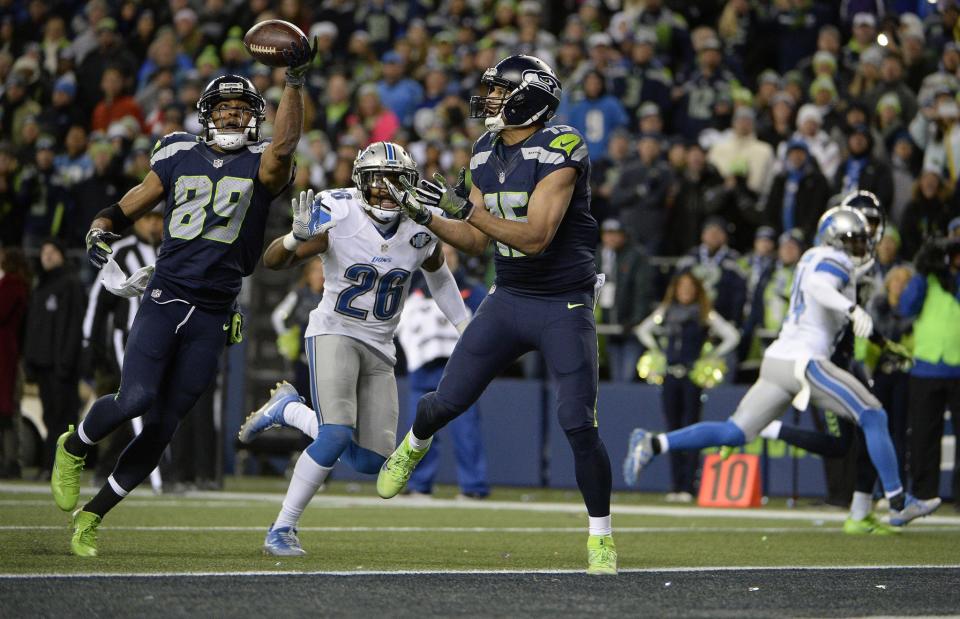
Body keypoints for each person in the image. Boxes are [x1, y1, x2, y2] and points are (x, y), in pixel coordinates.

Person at [49, 35, 315, 558]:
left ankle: (92, 517)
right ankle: (75, 444)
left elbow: (283, 148)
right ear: (206, 114)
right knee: (137, 399)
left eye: (244, 110)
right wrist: (105, 220)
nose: (236, 117)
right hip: (168, 295)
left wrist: (294, 78)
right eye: (226, 108)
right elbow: (135, 199)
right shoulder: (175, 151)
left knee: (165, 425)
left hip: (215, 309)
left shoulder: (264, 161)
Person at [623, 206, 942, 528]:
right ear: (836, 240)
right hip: (806, 361)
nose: (860, 247)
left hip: (777, 361)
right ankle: (899, 501)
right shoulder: (835, 261)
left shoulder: (810, 257)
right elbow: (819, 287)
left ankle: (653, 443)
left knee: (734, 432)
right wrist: (852, 309)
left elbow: (819, 287)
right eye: (853, 240)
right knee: (873, 414)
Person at [236, 142, 471, 555]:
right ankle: (282, 528)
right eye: (376, 180)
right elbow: (272, 261)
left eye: (394, 181)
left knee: (372, 464)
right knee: (336, 433)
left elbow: (438, 273)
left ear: (409, 184)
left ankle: (288, 410)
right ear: (360, 181)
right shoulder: (338, 212)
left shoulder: (420, 225)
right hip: (334, 331)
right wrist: (293, 239)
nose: (384, 190)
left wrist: (466, 326)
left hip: (381, 346)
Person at [634, 271, 739, 502]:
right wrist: (656, 350)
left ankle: (689, 486)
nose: (685, 291)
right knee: (671, 429)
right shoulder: (666, 310)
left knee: (691, 428)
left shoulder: (705, 314)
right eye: (681, 287)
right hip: (670, 376)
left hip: (693, 377)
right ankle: (676, 484)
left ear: (697, 290)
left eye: (690, 287)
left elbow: (732, 336)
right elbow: (642, 329)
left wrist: (711, 357)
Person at [396, 244, 490, 498]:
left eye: (450, 255)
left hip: (459, 373)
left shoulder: (473, 291)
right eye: (441, 255)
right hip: (422, 372)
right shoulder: (414, 290)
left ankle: (473, 487)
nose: (445, 260)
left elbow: (487, 327)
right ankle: (419, 485)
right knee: (419, 432)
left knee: (466, 432)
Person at [80, 208, 163, 490]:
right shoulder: (122, 250)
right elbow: (97, 300)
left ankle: (108, 466)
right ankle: (157, 476)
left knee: (140, 405)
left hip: (161, 338)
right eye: (149, 218)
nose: (154, 225)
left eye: (159, 220)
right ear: (137, 221)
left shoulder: (168, 250)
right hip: (126, 336)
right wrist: (89, 343)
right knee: (136, 401)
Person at [899, 236, 960, 504]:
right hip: (926, 367)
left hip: (956, 368)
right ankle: (924, 495)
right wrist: (922, 271)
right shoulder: (927, 279)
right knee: (923, 436)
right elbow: (906, 307)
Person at [23, 239, 85, 478]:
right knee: (50, 417)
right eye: (43, 252)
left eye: (52, 252)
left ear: (61, 255)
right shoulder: (40, 285)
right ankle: (49, 465)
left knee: (64, 419)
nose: (46, 256)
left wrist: (66, 362)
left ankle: (60, 467)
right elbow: (33, 327)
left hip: (62, 366)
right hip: (43, 364)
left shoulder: (70, 283)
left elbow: (73, 327)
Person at [596, 219, 654, 383]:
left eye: (615, 234)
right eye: (607, 234)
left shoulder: (636, 256)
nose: (611, 238)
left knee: (626, 377)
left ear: (624, 236)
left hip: (629, 328)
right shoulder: (600, 255)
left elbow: (642, 291)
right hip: (608, 326)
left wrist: (635, 319)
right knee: (615, 376)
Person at [270, 257, 324, 408]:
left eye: (324, 271)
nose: (320, 276)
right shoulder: (300, 294)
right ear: (308, 274)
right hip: (304, 358)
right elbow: (278, 317)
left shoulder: (331, 296)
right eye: (316, 271)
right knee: (305, 400)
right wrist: (287, 338)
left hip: (325, 358)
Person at [0, 247, 30, 478]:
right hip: (9, 350)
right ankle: (10, 460)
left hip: (5, 353)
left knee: (7, 410)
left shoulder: (11, 285)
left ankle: (11, 461)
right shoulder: (18, 284)